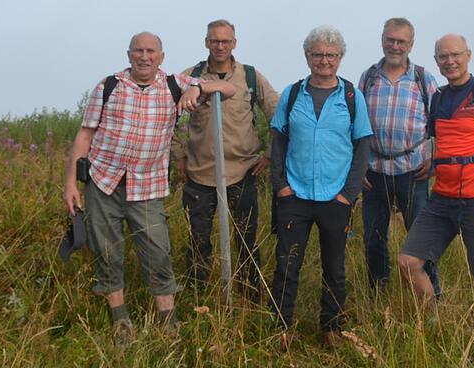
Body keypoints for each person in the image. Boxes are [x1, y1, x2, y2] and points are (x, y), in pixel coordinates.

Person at [63, 32, 235, 346]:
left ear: (161, 56)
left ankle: (168, 323)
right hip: (103, 183)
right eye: (139, 51)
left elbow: (228, 87)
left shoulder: (174, 84)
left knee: (158, 252)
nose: (145, 57)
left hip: (147, 186)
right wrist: (70, 184)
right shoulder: (109, 86)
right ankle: (121, 322)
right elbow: (84, 136)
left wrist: (197, 86)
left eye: (151, 51)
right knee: (107, 252)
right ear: (129, 54)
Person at [269, 26, 374, 350]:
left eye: (330, 55)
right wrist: (281, 187)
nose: (324, 60)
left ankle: (330, 328)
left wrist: (348, 194)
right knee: (287, 265)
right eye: (318, 54)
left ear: (340, 58)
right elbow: (277, 142)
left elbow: (362, 147)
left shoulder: (352, 97)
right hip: (295, 196)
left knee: (334, 267)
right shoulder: (291, 94)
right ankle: (281, 328)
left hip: (335, 198)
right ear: (307, 57)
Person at [398, 34, 474, 332]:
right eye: (443, 57)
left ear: (468, 55)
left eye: (455, 55)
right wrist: (434, 164)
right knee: (409, 262)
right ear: (436, 61)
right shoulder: (439, 97)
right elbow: (448, 144)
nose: (450, 61)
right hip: (441, 199)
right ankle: (435, 321)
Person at [172, 20, 279, 303]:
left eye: (226, 41)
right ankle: (197, 298)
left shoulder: (251, 77)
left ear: (234, 43)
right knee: (198, 241)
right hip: (199, 174)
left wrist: (270, 153)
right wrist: (179, 154)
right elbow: (164, 115)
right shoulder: (189, 77)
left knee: (246, 240)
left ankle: (249, 297)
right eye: (215, 41)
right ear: (206, 42)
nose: (220, 46)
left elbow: (278, 116)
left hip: (242, 171)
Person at [358, 17, 440, 299]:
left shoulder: (422, 78)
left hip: (413, 170)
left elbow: (439, 123)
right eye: (390, 39)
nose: (395, 46)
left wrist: (433, 155)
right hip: (374, 170)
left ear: (411, 44)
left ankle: (431, 298)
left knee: (421, 240)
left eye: (401, 41)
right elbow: (356, 126)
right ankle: (377, 297)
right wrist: (357, 169)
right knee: (373, 239)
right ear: (382, 40)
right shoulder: (367, 77)